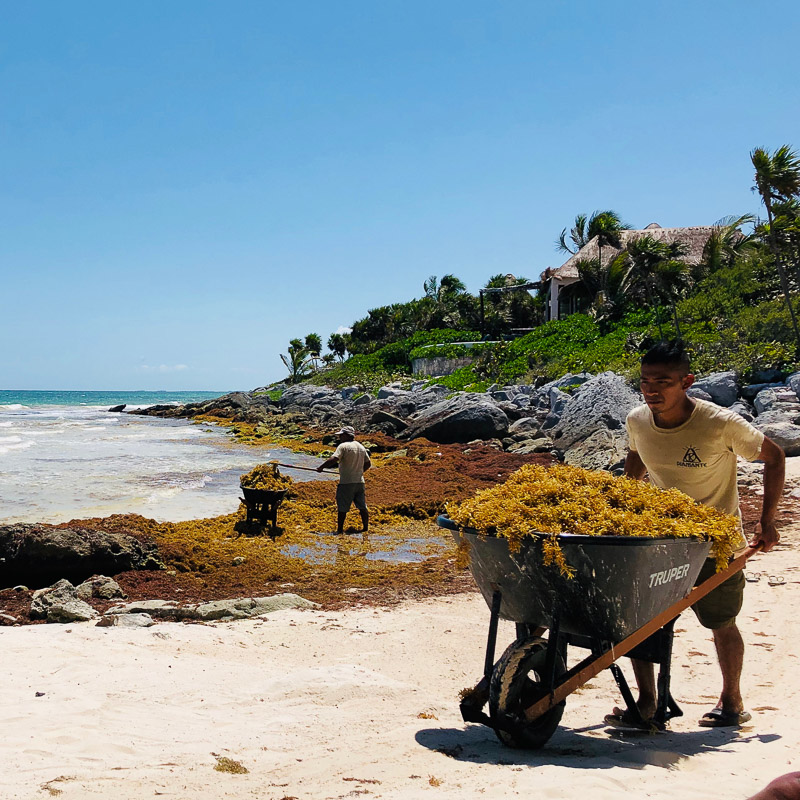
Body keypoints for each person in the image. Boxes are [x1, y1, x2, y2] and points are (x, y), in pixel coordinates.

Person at [605, 340, 785, 730]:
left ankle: (732, 701)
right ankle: (648, 703)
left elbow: (774, 457)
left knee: (721, 622)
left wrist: (766, 521)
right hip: (661, 539)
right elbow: (635, 454)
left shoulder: (720, 423)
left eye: (663, 382)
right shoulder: (637, 419)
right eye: (645, 382)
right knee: (641, 620)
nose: (652, 390)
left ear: (686, 381)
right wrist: (625, 496)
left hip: (715, 542)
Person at [317, 425, 371, 534]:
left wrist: (321, 467)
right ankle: (365, 528)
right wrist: (359, 472)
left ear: (346, 435)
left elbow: (334, 459)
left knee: (342, 506)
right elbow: (368, 463)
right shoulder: (360, 447)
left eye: (341, 435)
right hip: (359, 482)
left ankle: (339, 530)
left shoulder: (343, 446)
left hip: (346, 483)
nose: (340, 438)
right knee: (362, 506)